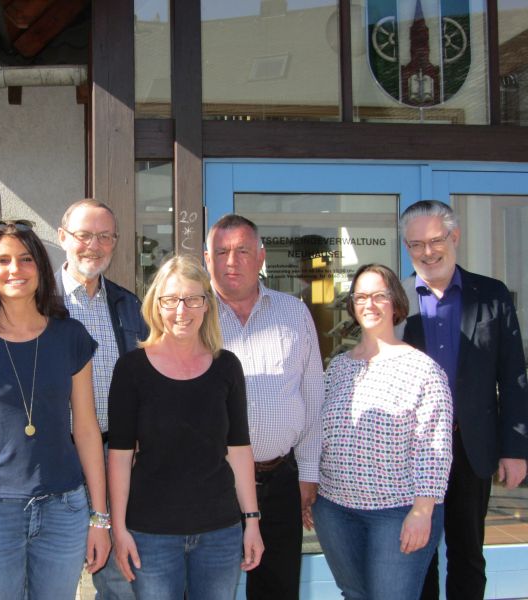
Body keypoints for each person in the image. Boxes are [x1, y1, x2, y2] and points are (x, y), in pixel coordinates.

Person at [0, 220, 111, 599]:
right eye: (2, 260)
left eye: (25, 259)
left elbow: (85, 429)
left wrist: (100, 518)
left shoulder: (71, 337)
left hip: (64, 509)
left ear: (40, 268)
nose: (15, 269)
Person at [108, 255, 263, 599]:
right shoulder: (132, 369)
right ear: (156, 306)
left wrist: (251, 520)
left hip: (220, 532)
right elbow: (119, 456)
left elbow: (238, 448)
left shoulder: (227, 367)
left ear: (207, 305)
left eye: (193, 299)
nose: (182, 310)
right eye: (171, 300)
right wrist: (118, 529)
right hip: (152, 533)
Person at [397, 200, 528, 600]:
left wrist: (516, 449)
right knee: (418, 555)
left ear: (454, 237)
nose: (427, 252)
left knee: (468, 554)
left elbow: (514, 377)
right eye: (416, 244)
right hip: (411, 450)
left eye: (435, 240)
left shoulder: (491, 295)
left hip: (471, 446)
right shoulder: (395, 300)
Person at [312, 263, 454, 599]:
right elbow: (319, 431)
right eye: (361, 297)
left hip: (397, 511)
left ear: (396, 303)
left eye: (379, 295)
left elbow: (434, 447)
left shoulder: (423, 370)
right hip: (335, 509)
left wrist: (423, 511)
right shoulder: (340, 366)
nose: (369, 304)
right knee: (355, 594)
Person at [204, 214, 324, 600]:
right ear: (207, 260)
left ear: (261, 256)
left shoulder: (294, 312)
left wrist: (308, 472)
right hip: (210, 481)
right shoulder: (190, 314)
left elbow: (313, 396)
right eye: (221, 252)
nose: (231, 261)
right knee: (206, 589)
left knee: (278, 587)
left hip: (279, 480)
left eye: (241, 250)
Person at [56, 198, 147, 600]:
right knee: (49, 578)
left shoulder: (129, 306)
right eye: (84, 235)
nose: (94, 245)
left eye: (105, 236)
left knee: (118, 581)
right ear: (62, 238)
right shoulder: (39, 304)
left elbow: (148, 380)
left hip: (115, 457)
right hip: (52, 457)